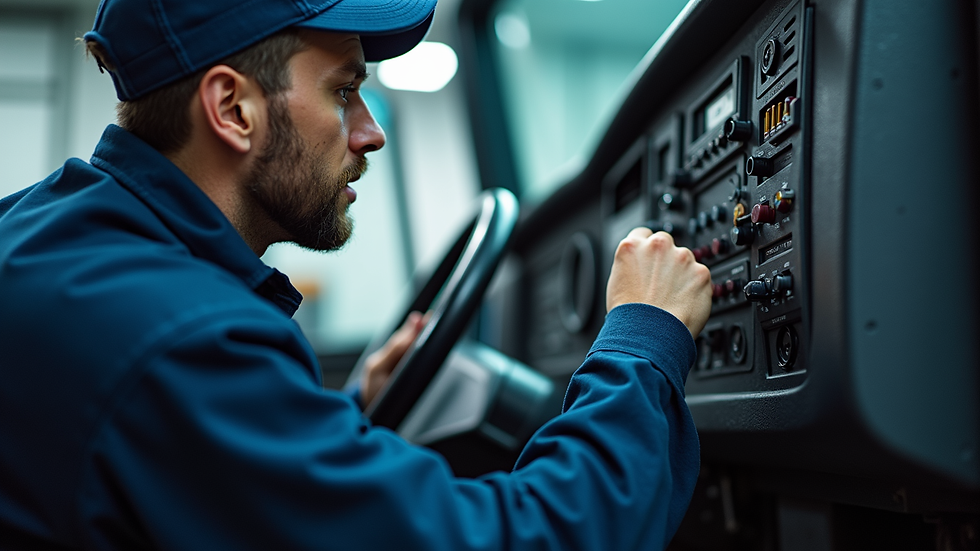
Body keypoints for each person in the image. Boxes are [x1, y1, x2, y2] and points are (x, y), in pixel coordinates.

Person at [0, 0, 713, 549]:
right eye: (344, 91)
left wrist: (353, 416)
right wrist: (642, 340)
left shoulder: (62, 236)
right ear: (232, 109)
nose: (371, 131)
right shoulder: (181, 339)